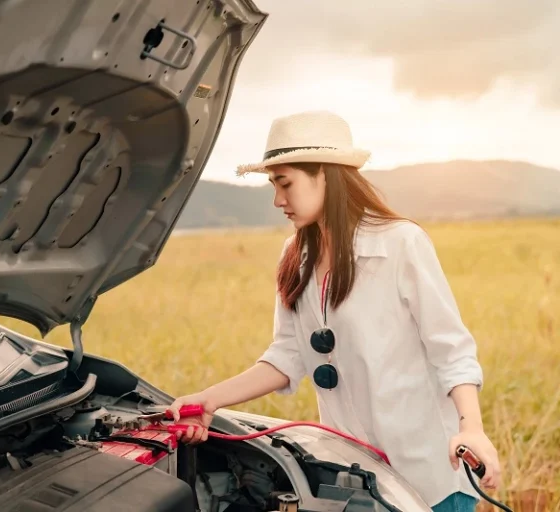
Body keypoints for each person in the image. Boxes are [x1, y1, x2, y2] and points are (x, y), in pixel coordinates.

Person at [165, 111, 502, 511]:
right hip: (356, 476)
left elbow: (452, 349)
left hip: (430, 476)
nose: (278, 200)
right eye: (274, 185)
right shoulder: (294, 255)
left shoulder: (401, 243)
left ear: (325, 174)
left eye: (285, 182)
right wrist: (207, 400)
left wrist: (472, 429)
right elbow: (287, 356)